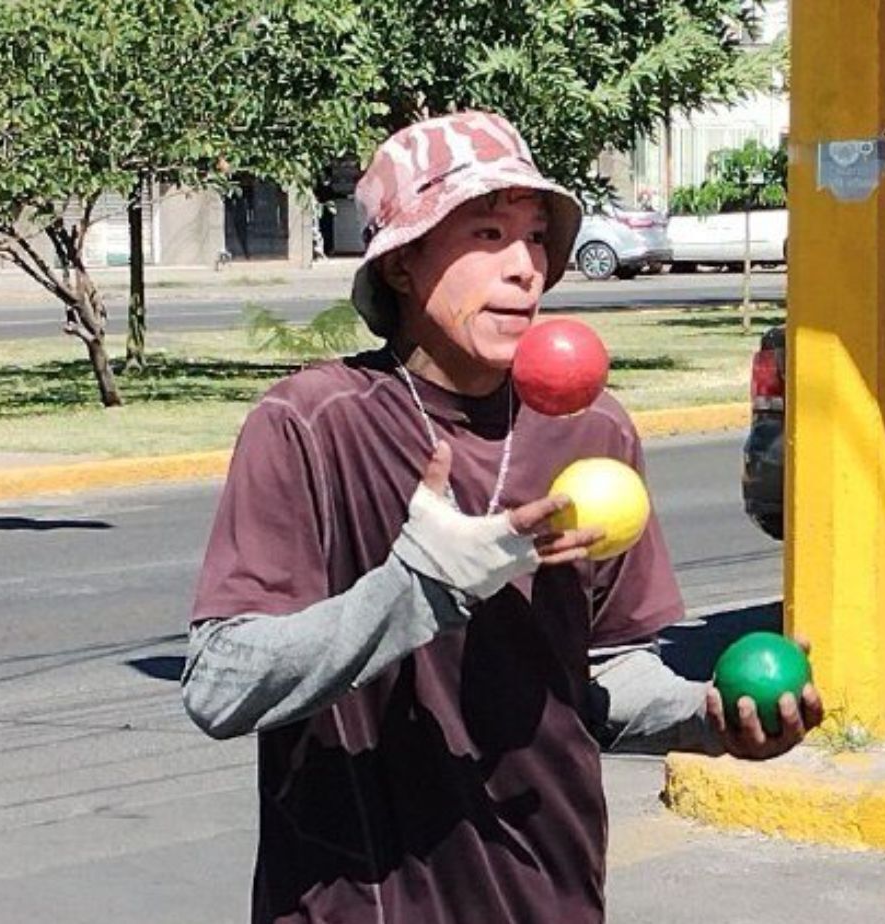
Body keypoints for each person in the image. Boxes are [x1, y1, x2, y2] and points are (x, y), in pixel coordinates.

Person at [182, 111, 824, 924]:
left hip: (546, 896)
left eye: (535, 238)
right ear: (405, 264)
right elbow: (220, 685)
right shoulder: (312, 425)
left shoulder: (595, 434)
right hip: (348, 903)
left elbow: (601, 679)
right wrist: (417, 585)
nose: (526, 267)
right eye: (487, 232)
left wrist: (707, 718)